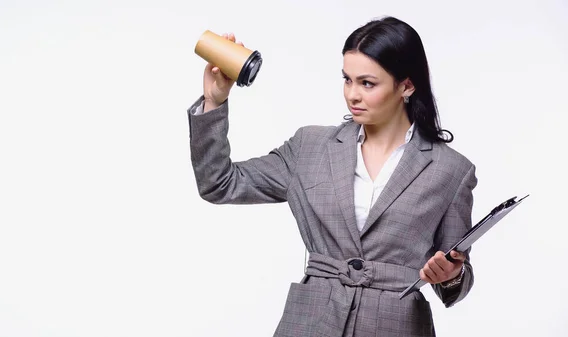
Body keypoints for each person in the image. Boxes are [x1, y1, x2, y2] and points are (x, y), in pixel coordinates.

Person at [186, 16, 477, 337]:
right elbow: (219, 184)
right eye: (347, 79)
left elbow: (456, 280)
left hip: (396, 325)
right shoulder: (310, 146)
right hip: (311, 322)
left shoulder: (451, 170)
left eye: (367, 83)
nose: (352, 94)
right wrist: (215, 101)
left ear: (406, 86)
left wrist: (450, 274)